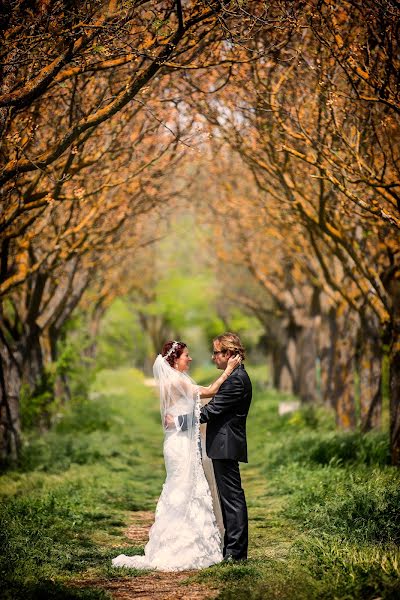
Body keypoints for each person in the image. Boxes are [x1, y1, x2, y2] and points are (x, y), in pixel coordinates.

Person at [112, 340, 241, 571]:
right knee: (181, 488)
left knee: (187, 487)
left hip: (183, 441)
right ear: (175, 359)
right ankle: (179, 547)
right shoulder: (176, 381)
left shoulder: (177, 380)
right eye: (186, 356)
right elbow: (210, 392)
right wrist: (229, 370)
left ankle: (191, 542)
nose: (190, 359)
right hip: (179, 444)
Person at [169, 333, 252, 562]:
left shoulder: (236, 380)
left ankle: (236, 554)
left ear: (228, 354)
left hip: (226, 445)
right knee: (228, 498)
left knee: (232, 498)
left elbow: (209, 412)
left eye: (216, 352)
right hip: (222, 444)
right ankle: (231, 550)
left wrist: (178, 422)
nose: (213, 357)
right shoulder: (233, 376)